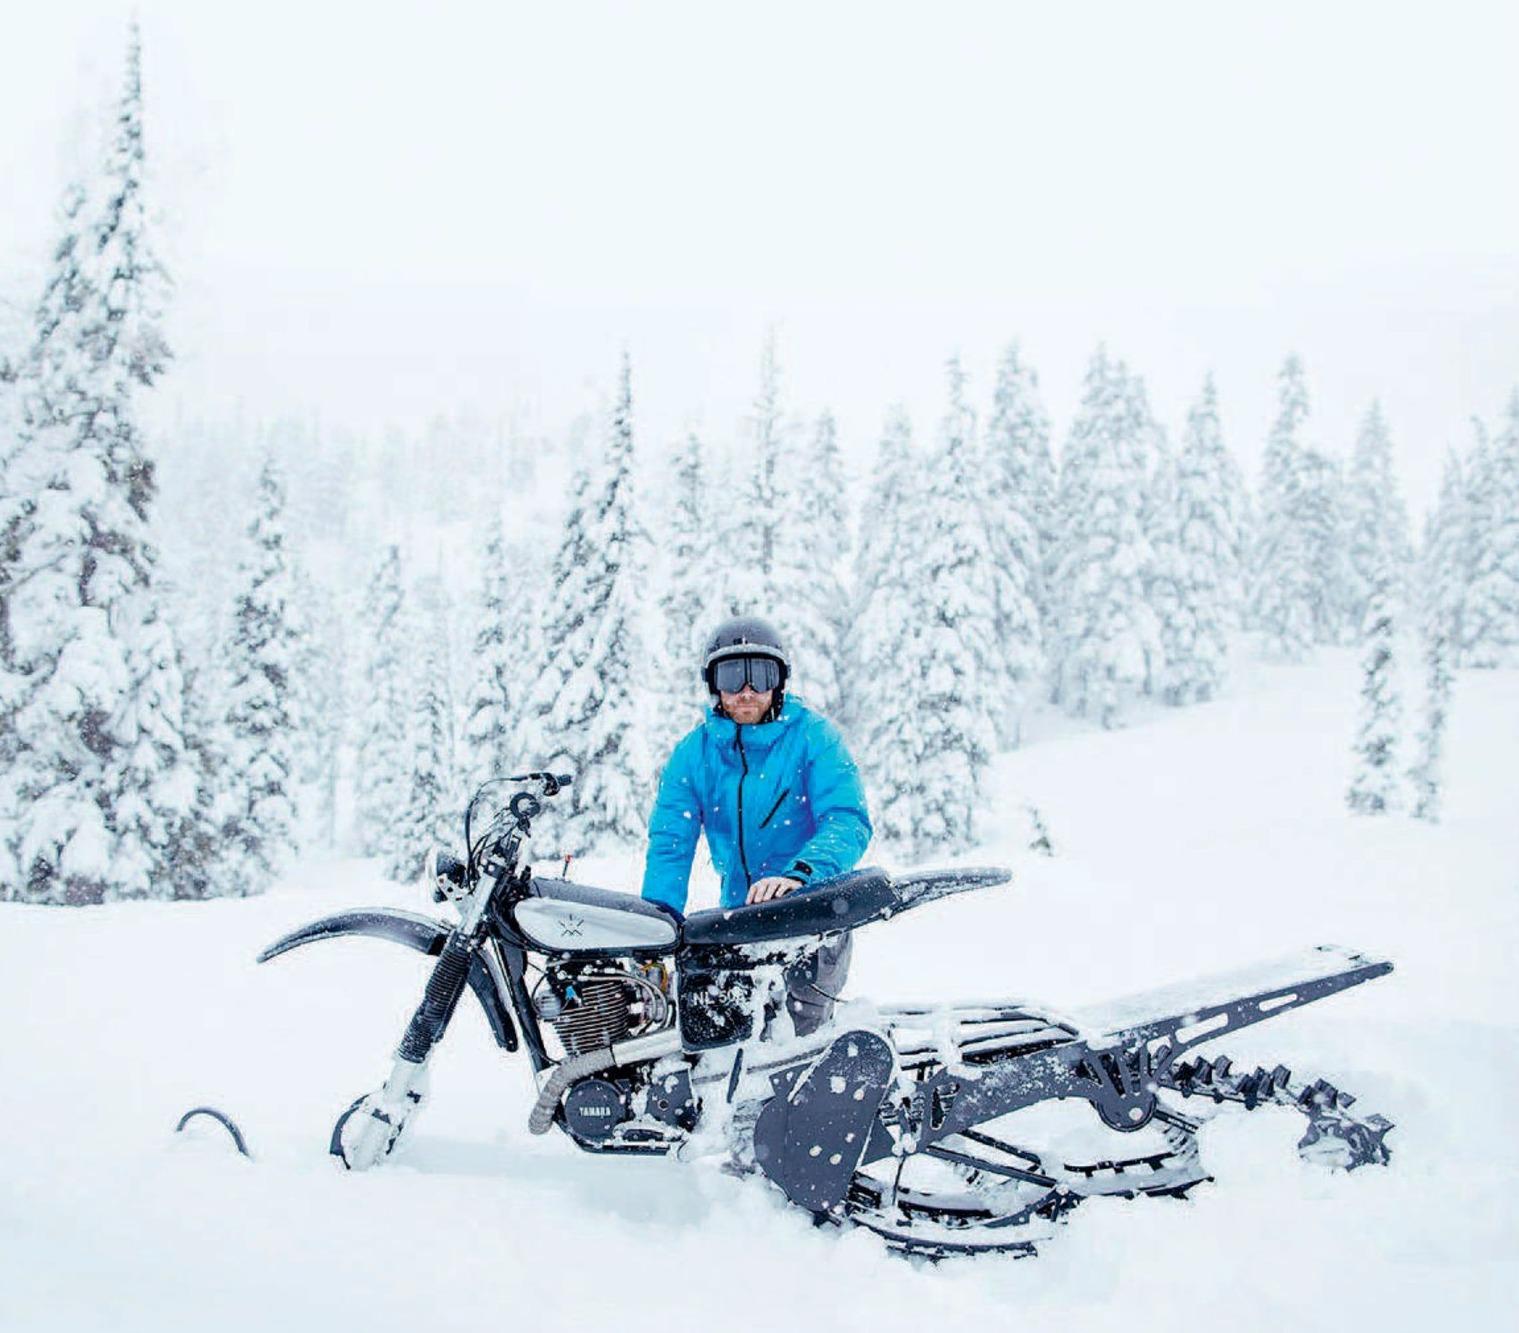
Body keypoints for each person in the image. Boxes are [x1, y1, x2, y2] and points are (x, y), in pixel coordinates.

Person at [641, 615, 872, 1034]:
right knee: (723, 1038)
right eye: (732, 677)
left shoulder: (814, 738)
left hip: (812, 914)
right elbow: (671, 844)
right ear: (714, 685)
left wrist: (800, 876)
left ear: (779, 682)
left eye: (761, 676)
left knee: (799, 1037)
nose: (746, 691)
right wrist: (656, 925)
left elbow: (846, 819)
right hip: (739, 920)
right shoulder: (693, 754)